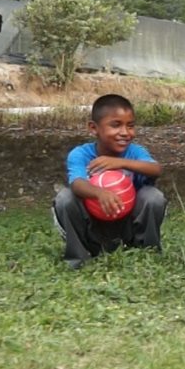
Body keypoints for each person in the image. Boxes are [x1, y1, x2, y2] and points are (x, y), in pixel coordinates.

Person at [52, 94, 168, 269]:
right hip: (93, 228)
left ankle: (148, 255)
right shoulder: (81, 154)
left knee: (153, 196)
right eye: (116, 125)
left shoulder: (135, 152)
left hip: (127, 227)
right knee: (65, 198)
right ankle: (78, 259)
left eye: (130, 126)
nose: (124, 132)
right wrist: (99, 193)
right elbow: (77, 184)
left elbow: (156, 169)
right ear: (93, 128)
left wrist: (120, 162)